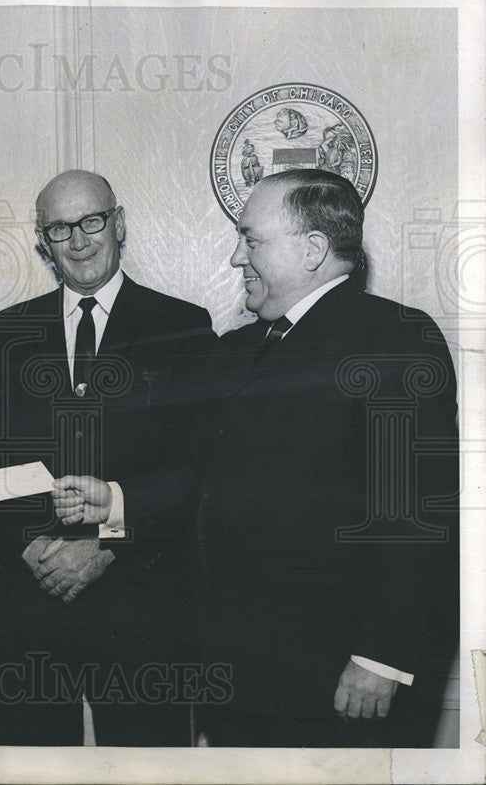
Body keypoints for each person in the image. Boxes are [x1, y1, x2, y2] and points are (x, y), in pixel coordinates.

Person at [193, 169, 459, 746]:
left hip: (336, 678)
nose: (237, 258)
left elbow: (414, 514)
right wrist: (114, 501)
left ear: (313, 249)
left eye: (251, 240)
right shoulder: (237, 348)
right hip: (238, 673)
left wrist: (381, 658)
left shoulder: (394, 337)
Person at [0, 170, 214, 745]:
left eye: (91, 221)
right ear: (41, 240)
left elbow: (197, 470)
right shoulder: (7, 332)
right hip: (27, 609)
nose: (78, 240)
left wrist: (106, 545)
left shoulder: (182, 327)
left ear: (118, 223)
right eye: (59, 228)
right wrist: (32, 546)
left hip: (143, 613)